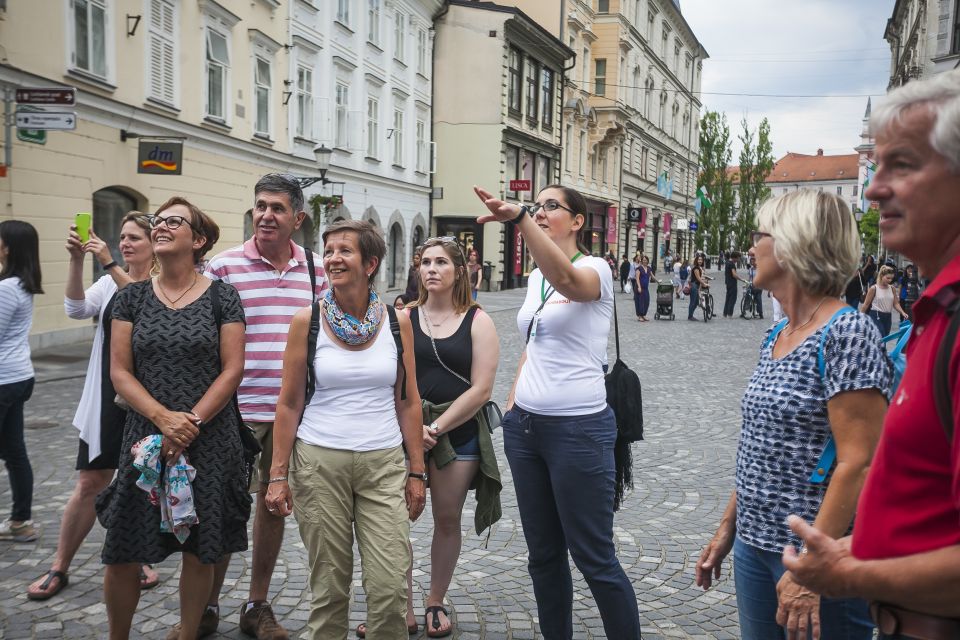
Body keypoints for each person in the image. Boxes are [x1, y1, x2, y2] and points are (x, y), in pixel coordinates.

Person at [783, 68, 960, 640]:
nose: (875, 187)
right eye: (875, 166)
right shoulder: (937, 310)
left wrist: (850, 569)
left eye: (902, 165)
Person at [695, 189, 892, 640]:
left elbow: (859, 462)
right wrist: (729, 526)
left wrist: (809, 568)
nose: (750, 247)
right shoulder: (777, 332)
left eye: (758, 235)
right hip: (754, 542)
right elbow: (758, 445)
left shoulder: (847, 333)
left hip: (820, 557)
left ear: (792, 244)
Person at [473, 183, 642, 639]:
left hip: (579, 429)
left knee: (594, 556)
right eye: (537, 206)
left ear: (578, 221)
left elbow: (569, 281)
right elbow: (534, 342)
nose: (541, 212)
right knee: (543, 555)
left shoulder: (597, 268)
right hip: (526, 429)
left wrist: (519, 220)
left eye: (551, 207)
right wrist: (512, 403)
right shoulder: (534, 278)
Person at [264, 220, 426, 639]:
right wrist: (278, 475)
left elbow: (408, 399)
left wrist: (417, 470)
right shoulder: (307, 321)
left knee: (390, 587)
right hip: (320, 462)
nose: (333, 258)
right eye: (329, 250)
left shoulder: (398, 322)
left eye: (345, 251)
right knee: (329, 588)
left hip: (384, 462)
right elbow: (289, 401)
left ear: (370, 263)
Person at [98, 197, 249, 640]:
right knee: (123, 548)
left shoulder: (223, 295)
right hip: (145, 436)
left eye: (173, 222)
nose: (160, 227)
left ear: (198, 240)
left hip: (209, 436)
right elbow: (120, 371)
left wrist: (191, 423)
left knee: (200, 550)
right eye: (157, 221)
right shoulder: (131, 298)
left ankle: (187, 631)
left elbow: (232, 369)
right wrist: (164, 419)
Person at [199, 173, 327, 640]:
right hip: (232, 411)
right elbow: (203, 336)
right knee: (222, 509)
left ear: (298, 217)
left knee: (273, 508)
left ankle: (256, 604)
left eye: (276, 208)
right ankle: (206, 604)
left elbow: (325, 340)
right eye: (260, 206)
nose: (266, 215)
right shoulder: (224, 267)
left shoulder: (316, 270)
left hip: (291, 411)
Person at [359, 236, 501, 638]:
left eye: (441, 262)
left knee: (446, 518)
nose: (432, 269)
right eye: (425, 262)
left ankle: (435, 599)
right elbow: (391, 377)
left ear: (459, 271)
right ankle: (396, 605)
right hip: (403, 430)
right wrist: (412, 429)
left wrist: (434, 429)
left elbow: (481, 390)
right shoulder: (403, 317)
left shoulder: (479, 320)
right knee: (391, 521)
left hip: (458, 434)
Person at [27, 214, 160, 600]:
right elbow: (75, 309)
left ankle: (138, 559)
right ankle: (59, 566)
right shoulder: (107, 281)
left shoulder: (159, 282)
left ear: (154, 244)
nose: (126, 243)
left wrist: (108, 260)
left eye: (135, 237)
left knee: (140, 483)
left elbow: (144, 305)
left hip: (148, 398)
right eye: (122, 237)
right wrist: (74, 260)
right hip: (107, 394)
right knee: (89, 482)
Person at [0, 221, 43, 544]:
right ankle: (20, 522)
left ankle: (20, 521)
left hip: (4, 379)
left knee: (14, 452)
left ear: (8, 247)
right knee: (15, 451)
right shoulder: (22, 284)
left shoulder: (5, 287)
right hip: (18, 376)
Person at [860, 265, 907, 337]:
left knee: (885, 337)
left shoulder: (892, 288)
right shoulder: (873, 288)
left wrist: (903, 313)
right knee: (880, 337)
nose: (890, 280)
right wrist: (860, 317)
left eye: (891, 278)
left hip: (888, 316)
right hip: (876, 315)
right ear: (882, 276)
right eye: (888, 278)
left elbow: (896, 303)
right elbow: (866, 304)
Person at [633, 254, 658, 322]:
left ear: (647, 261)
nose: (644, 261)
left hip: (645, 288)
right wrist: (639, 287)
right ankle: (640, 316)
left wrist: (658, 281)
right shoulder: (639, 268)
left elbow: (652, 276)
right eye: (643, 260)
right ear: (641, 261)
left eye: (645, 260)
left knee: (646, 301)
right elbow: (637, 278)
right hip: (639, 287)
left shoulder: (649, 268)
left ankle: (644, 315)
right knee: (640, 301)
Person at [723, 251, 746, 318]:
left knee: (728, 298)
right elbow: (734, 274)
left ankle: (725, 313)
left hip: (727, 282)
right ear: (734, 258)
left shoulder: (727, 263)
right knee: (733, 299)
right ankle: (730, 314)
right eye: (738, 258)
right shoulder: (732, 264)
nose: (738, 260)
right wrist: (741, 279)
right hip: (732, 283)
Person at [688, 253, 709, 320]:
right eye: (699, 260)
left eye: (701, 260)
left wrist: (706, 280)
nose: (700, 261)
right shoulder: (696, 268)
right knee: (693, 301)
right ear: (696, 260)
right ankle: (690, 316)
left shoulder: (700, 268)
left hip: (697, 285)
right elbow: (698, 278)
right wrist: (704, 283)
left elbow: (702, 277)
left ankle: (691, 315)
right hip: (694, 285)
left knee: (696, 302)